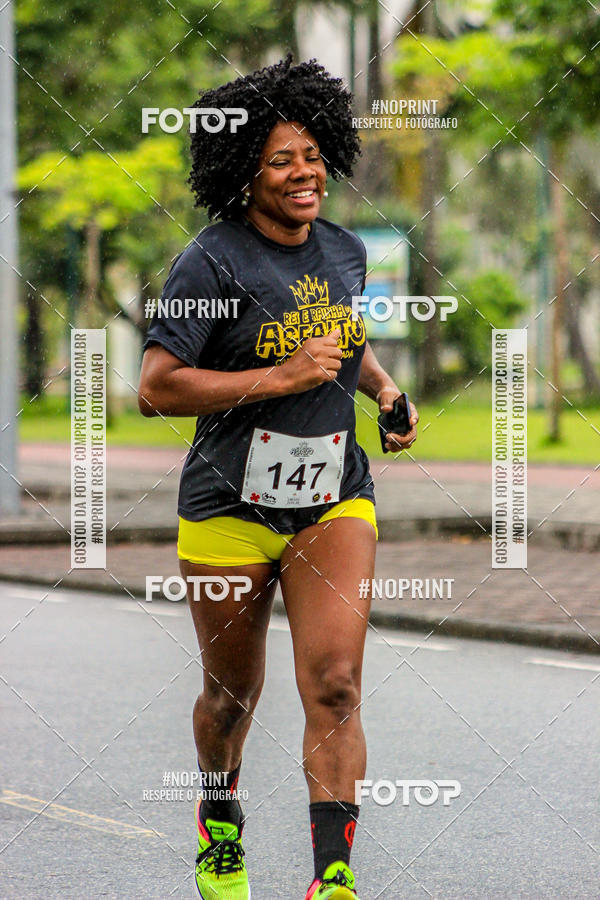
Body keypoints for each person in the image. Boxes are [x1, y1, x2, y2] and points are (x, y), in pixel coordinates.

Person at [138, 55, 418, 900]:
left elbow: (346, 340)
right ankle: (219, 822)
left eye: (312, 155)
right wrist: (278, 379)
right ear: (243, 173)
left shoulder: (343, 252)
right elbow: (155, 387)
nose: (305, 175)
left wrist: (384, 389)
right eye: (280, 160)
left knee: (335, 683)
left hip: (334, 496)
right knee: (231, 697)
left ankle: (333, 879)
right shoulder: (210, 264)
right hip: (229, 506)